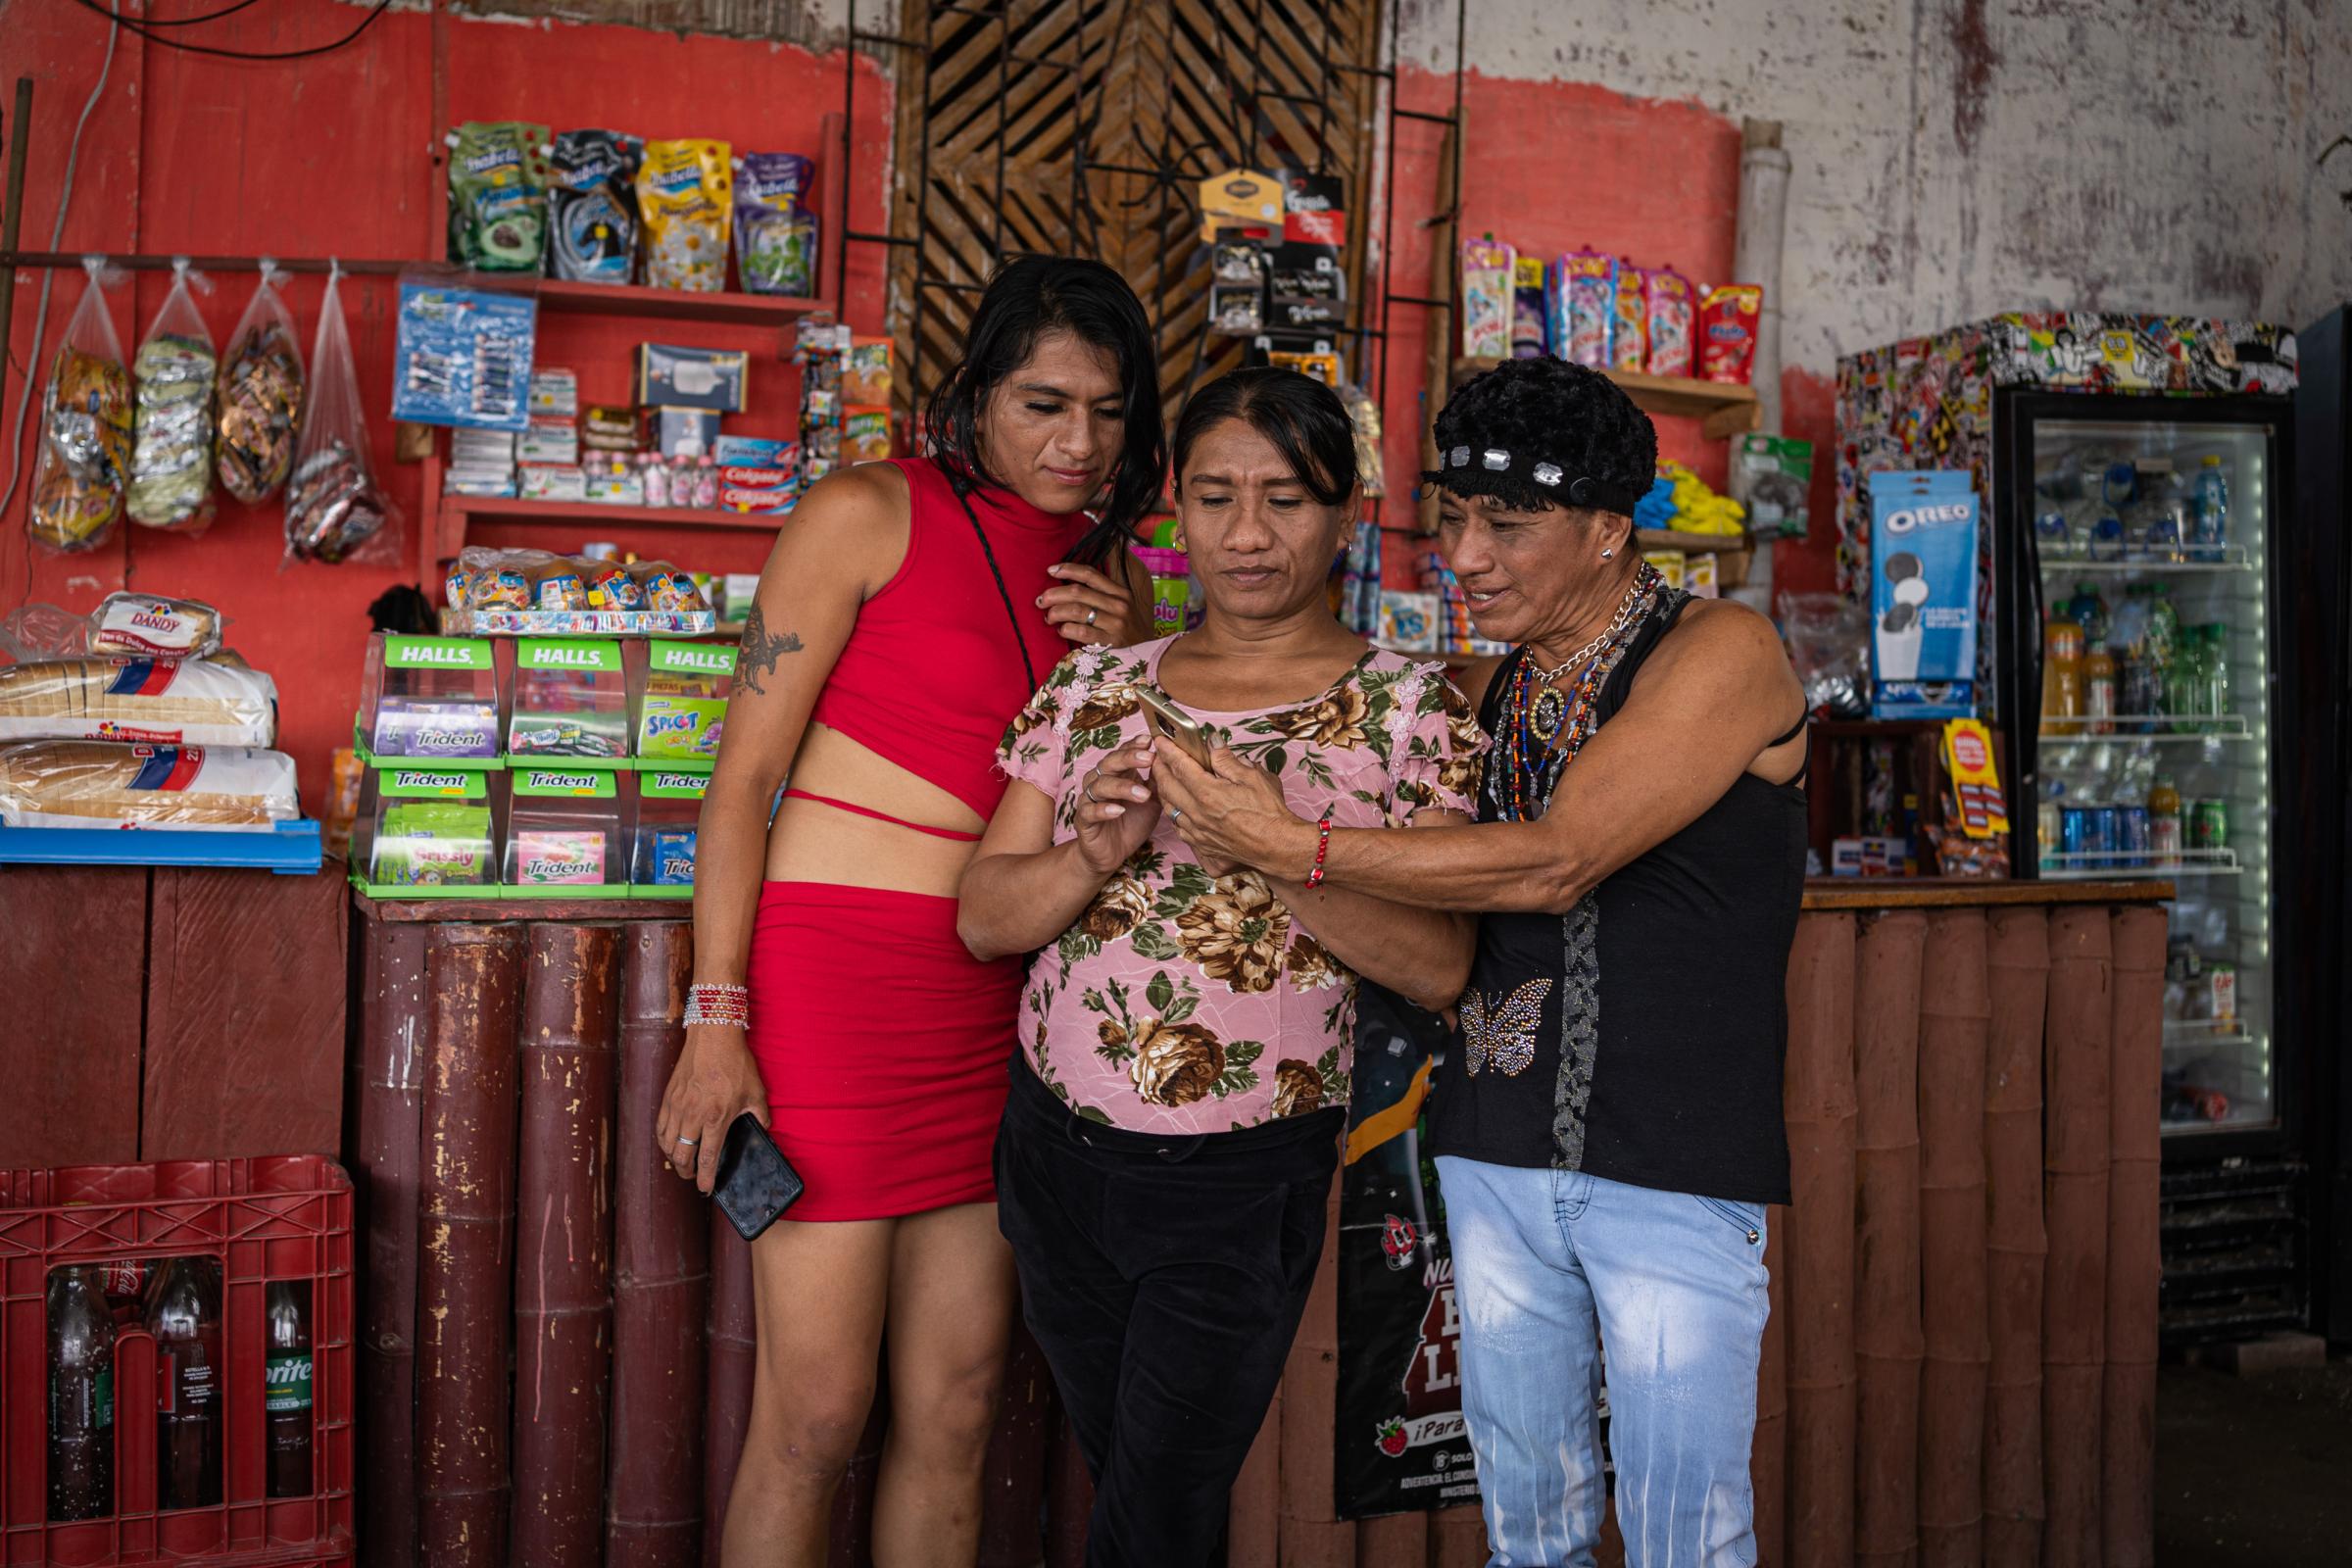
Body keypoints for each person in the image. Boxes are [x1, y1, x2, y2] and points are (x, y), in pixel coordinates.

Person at [1153, 357, 1808, 1567]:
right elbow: (1330, 679)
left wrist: (1287, 843)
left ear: (1611, 530)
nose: (1466, 556)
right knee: (1530, 1536)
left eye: (1506, 526)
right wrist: (1127, 640)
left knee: (1687, 1538)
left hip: (1671, 1163)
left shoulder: (1721, 650)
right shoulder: (1494, 686)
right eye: (1454, 520)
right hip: (1496, 1148)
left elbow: (1557, 859)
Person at [654, 255, 1163, 1567]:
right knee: (816, 1413)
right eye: (1045, 402)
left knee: (958, 1405)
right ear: (977, 394)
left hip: (1001, 1002)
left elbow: (1115, 801)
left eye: (1107, 411)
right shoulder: (865, 511)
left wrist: (1128, 653)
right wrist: (718, 1018)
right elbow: (741, 783)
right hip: (834, 994)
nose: (1078, 441)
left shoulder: (1122, 582)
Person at [955, 367, 1486, 1564]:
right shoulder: (1098, 686)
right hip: (1052, 1155)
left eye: (1288, 498)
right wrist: (1091, 848)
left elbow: (1442, 965)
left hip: (1241, 1182)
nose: (1248, 534)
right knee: (1131, 1479)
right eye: (1216, 496)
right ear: (1175, 515)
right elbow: (987, 916)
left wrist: (1275, 848)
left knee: (1159, 1513)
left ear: (1346, 512)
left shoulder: (1408, 711)